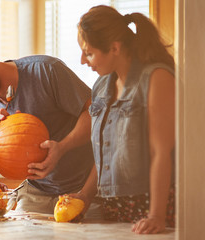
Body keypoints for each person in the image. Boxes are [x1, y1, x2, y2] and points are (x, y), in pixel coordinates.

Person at [0, 37, 97, 215]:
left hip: (84, 187)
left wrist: (62, 147)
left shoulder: (46, 70)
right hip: (36, 192)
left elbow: (97, 114)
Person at [76, 5, 176, 234]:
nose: (83, 60)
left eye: (89, 53)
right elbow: (105, 154)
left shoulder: (157, 78)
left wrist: (156, 216)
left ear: (114, 48)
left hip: (151, 207)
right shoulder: (101, 86)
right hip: (112, 209)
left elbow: (161, 153)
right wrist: (84, 195)